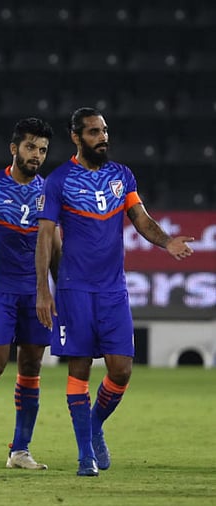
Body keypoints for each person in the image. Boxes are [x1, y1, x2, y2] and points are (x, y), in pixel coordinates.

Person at [35, 107, 194, 477]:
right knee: (78, 368)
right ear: (76, 137)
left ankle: (93, 425)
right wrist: (44, 289)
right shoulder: (58, 181)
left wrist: (167, 242)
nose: (102, 137)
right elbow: (45, 237)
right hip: (74, 289)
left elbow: (141, 219)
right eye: (93, 132)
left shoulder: (122, 176)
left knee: (121, 370)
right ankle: (84, 455)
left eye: (104, 131)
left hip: (112, 290)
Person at [0, 118, 58, 470]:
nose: (37, 155)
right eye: (31, 147)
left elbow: (55, 245)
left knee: (32, 367)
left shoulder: (49, 192)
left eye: (43, 150)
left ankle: (20, 450)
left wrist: (54, 291)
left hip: (34, 292)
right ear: (14, 148)